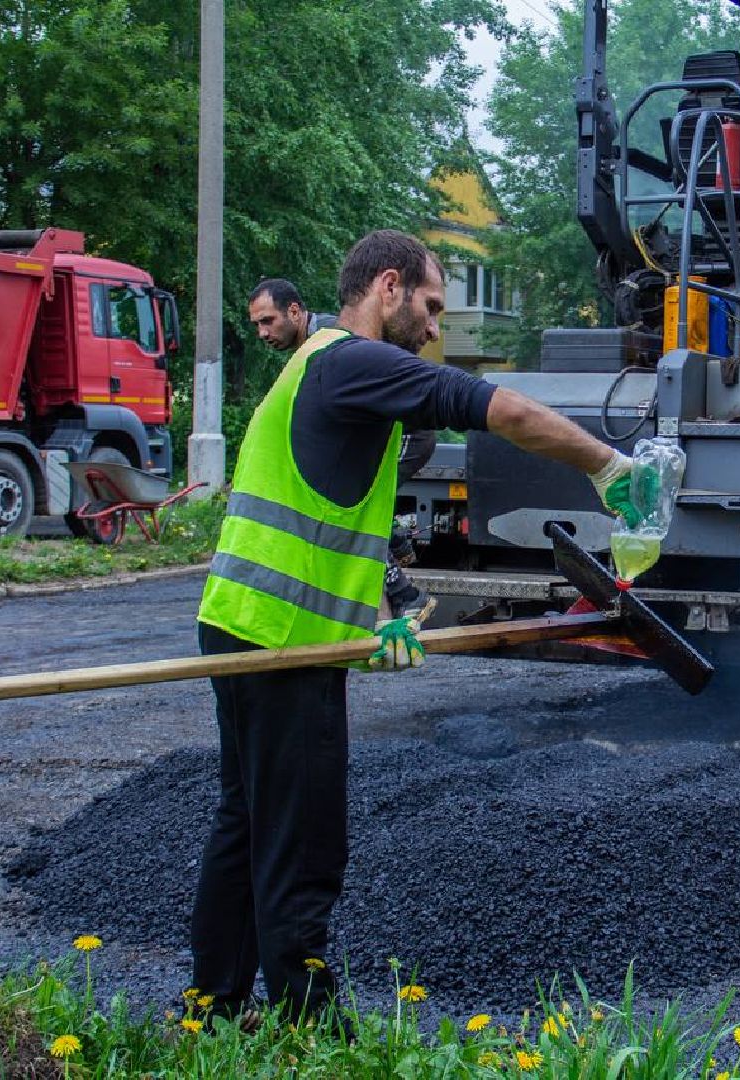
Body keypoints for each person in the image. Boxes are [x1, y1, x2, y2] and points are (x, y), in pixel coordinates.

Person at [192, 231, 636, 1021]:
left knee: (248, 821)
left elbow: (328, 517)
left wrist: (387, 614)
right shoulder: (353, 361)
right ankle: (306, 1025)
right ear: (387, 287)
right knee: (302, 838)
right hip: (279, 644)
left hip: (243, 624)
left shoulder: (318, 368)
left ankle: (211, 1006)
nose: (435, 328)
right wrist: (609, 468)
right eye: (431, 306)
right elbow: (500, 409)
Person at [249, 276, 435, 620]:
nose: (262, 332)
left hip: (408, 431)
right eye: (257, 325)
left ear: (294, 311)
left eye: (267, 321)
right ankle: (397, 547)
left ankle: (405, 594)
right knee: (352, 516)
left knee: (350, 520)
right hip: (385, 429)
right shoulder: (314, 343)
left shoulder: (331, 338)